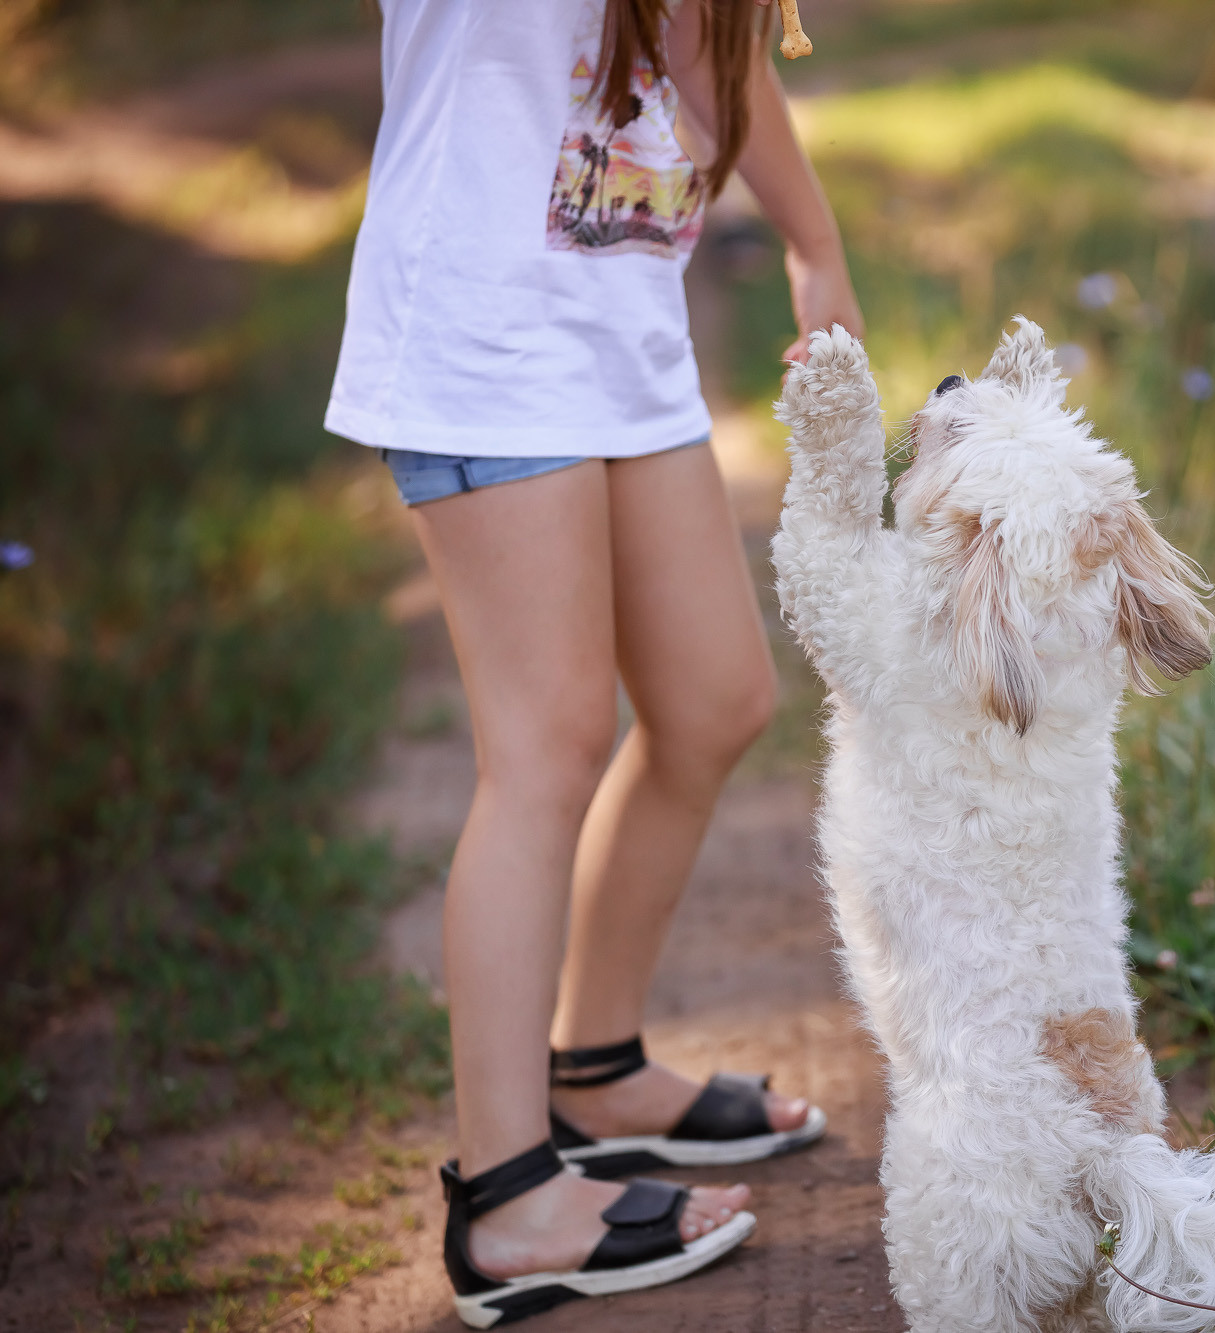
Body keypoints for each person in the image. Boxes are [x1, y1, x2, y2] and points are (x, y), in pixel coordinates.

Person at [324, 0, 862, 1323]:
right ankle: (507, 1198)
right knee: (547, 745)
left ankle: (598, 1063)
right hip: (484, 324)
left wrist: (814, 244)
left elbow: (703, 42)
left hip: (616, 312)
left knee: (713, 698)